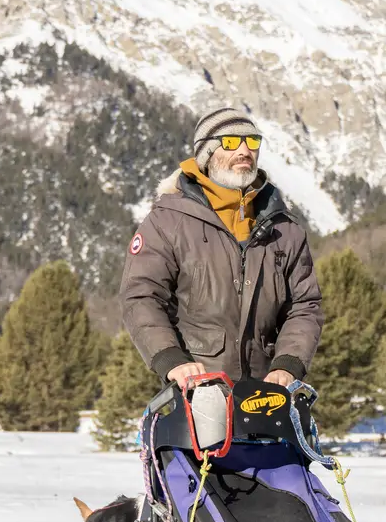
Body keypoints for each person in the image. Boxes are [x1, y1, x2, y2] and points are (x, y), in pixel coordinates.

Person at [120, 105, 323, 390]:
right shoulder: (168, 221)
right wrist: (171, 360)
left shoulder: (285, 228)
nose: (244, 150)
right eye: (230, 142)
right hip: (196, 390)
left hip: (266, 394)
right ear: (207, 154)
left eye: (252, 141)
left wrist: (288, 363)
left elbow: (304, 306)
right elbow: (141, 296)